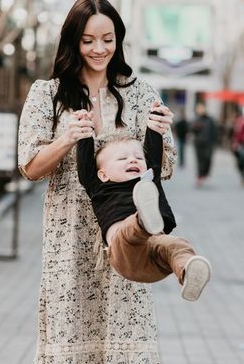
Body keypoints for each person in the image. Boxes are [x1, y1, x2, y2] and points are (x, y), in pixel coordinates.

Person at [7, 0, 183, 364]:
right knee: (69, 349)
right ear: (72, 42)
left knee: (127, 350)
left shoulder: (141, 90)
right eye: (89, 40)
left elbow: (163, 168)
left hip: (126, 230)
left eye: (108, 39)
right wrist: (66, 140)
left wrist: (163, 134)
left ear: (119, 39)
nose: (99, 49)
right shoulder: (47, 94)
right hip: (69, 241)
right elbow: (30, 167)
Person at [76, 120, 211, 301]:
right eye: (122, 158)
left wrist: (154, 127)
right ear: (103, 174)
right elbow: (85, 164)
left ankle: (188, 271)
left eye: (138, 158)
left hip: (154, 257)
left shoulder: (148, 179)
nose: (133, 160)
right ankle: (142, 221)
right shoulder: (97, 186)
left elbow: (153, 156)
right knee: (128, 232)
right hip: (124, 254)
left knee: (177, 245)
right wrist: (85, 132)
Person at [190, 102, 216, 186]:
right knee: (199, 160)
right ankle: (199, 175)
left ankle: (205, 173)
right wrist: (195, 127)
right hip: (198, 143)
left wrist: (215, 141)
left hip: (208, 143)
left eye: (201, 108)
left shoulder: (210, 119)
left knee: (208, 158)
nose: (200, 110)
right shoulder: (196, 119)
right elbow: (192, 130)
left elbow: (215, 130)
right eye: (199, 109)